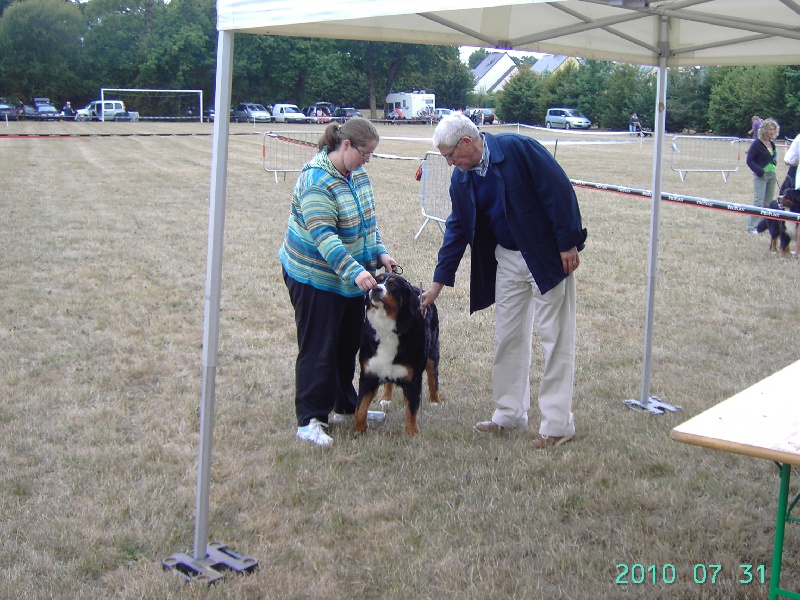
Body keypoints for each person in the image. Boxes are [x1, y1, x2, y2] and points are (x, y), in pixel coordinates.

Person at [421, 113, 587, 449]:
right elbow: (457, 228)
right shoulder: (462, 179)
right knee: (508, 336)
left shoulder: (518, 148)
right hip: (506, 259)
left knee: (555, 340)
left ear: (467, 142)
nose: (451, 164)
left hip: (546, 255)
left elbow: (558, 191)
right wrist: (439, 282)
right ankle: (509, 413)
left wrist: (568, 242)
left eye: (451, 155)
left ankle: (557, 425)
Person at [279, 118, 396, 446]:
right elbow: (324, 237)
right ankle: (310, 419)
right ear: (345, 145)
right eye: (365, 153)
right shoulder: (316, 180)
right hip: (313, 277)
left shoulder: (357, 175)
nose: (367, 161)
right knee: (319, 347)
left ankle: (345, 406)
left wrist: (381, 254)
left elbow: (367, 224)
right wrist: (355, 271)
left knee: (348, 343)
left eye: (371, 155)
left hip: (349, 280)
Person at [745, 117, 780, 234]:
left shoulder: (772, 144)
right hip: (761, 175)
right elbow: (749, 160)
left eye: (774, 129)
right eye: (770, 129)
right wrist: (759, 171)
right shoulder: (757, 143)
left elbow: (773, 157)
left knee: (768, 203)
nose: (772, 132)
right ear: (764, 130)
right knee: (758, 201)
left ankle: (763, 227)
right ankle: (751, 228)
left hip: (772, 175)